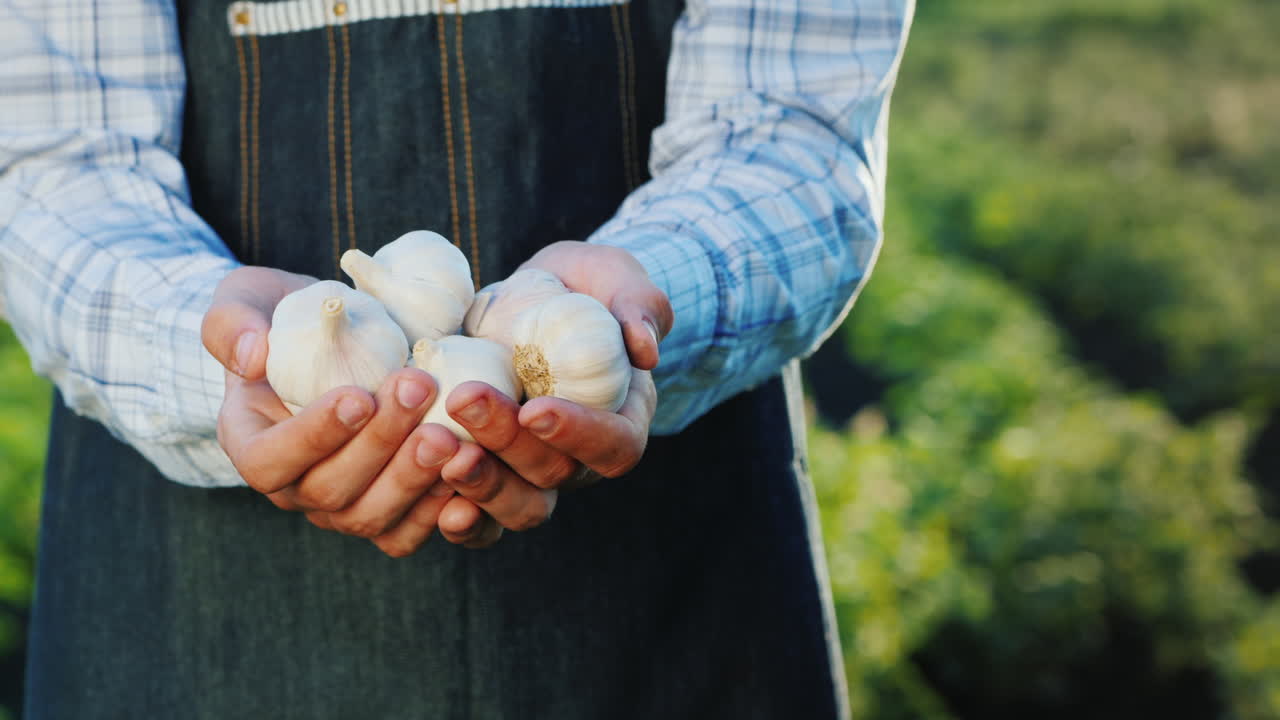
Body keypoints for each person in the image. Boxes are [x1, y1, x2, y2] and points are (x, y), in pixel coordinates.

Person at [0, 0, 912, 717]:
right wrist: (241, 360)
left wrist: (651, 294)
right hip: (188, 605)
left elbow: (795, 128)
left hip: (672, 598)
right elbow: (52, 162)